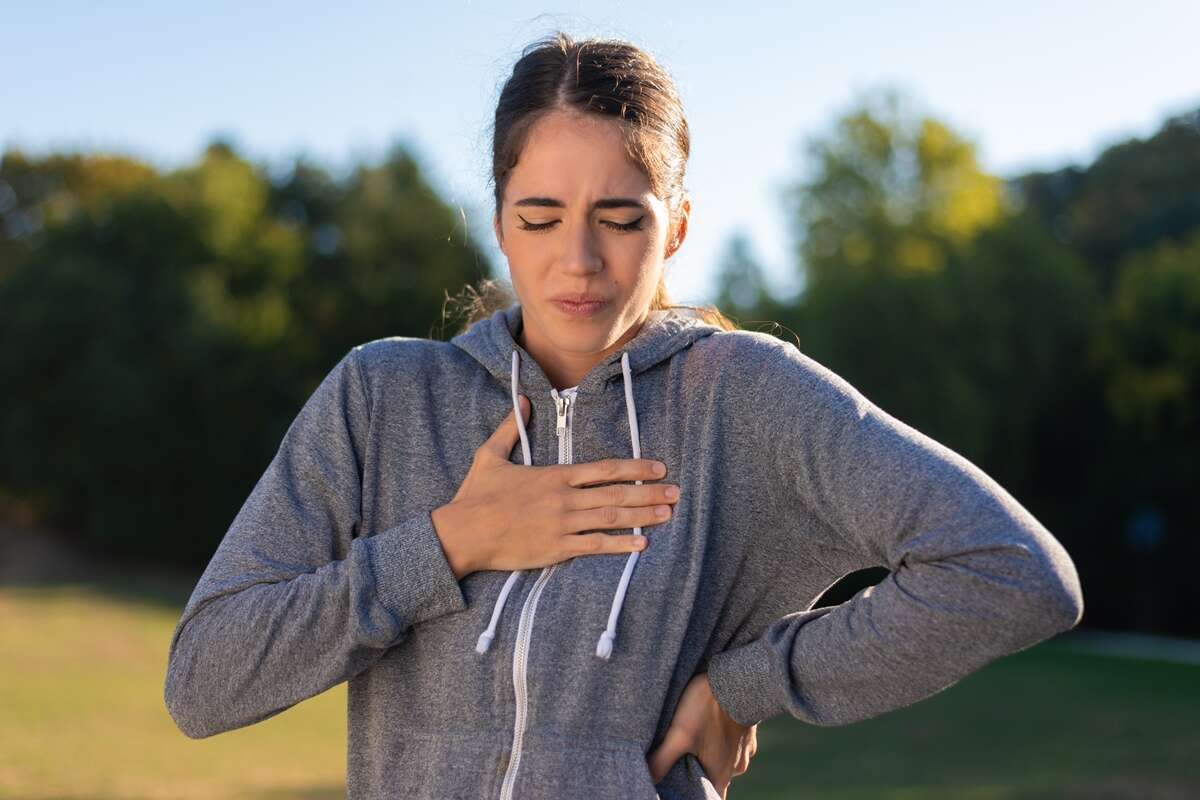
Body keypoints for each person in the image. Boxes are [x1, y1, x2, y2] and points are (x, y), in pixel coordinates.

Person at [163, 31, 1084, 800]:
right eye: (539, 216)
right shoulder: (384, 397)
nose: (578, 261)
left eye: (620, 217)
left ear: (676, 224)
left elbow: (1012, 573)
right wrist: (448, 543)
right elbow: (205, 681)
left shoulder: (742, 397)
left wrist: (749, 685)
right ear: (496, 221)